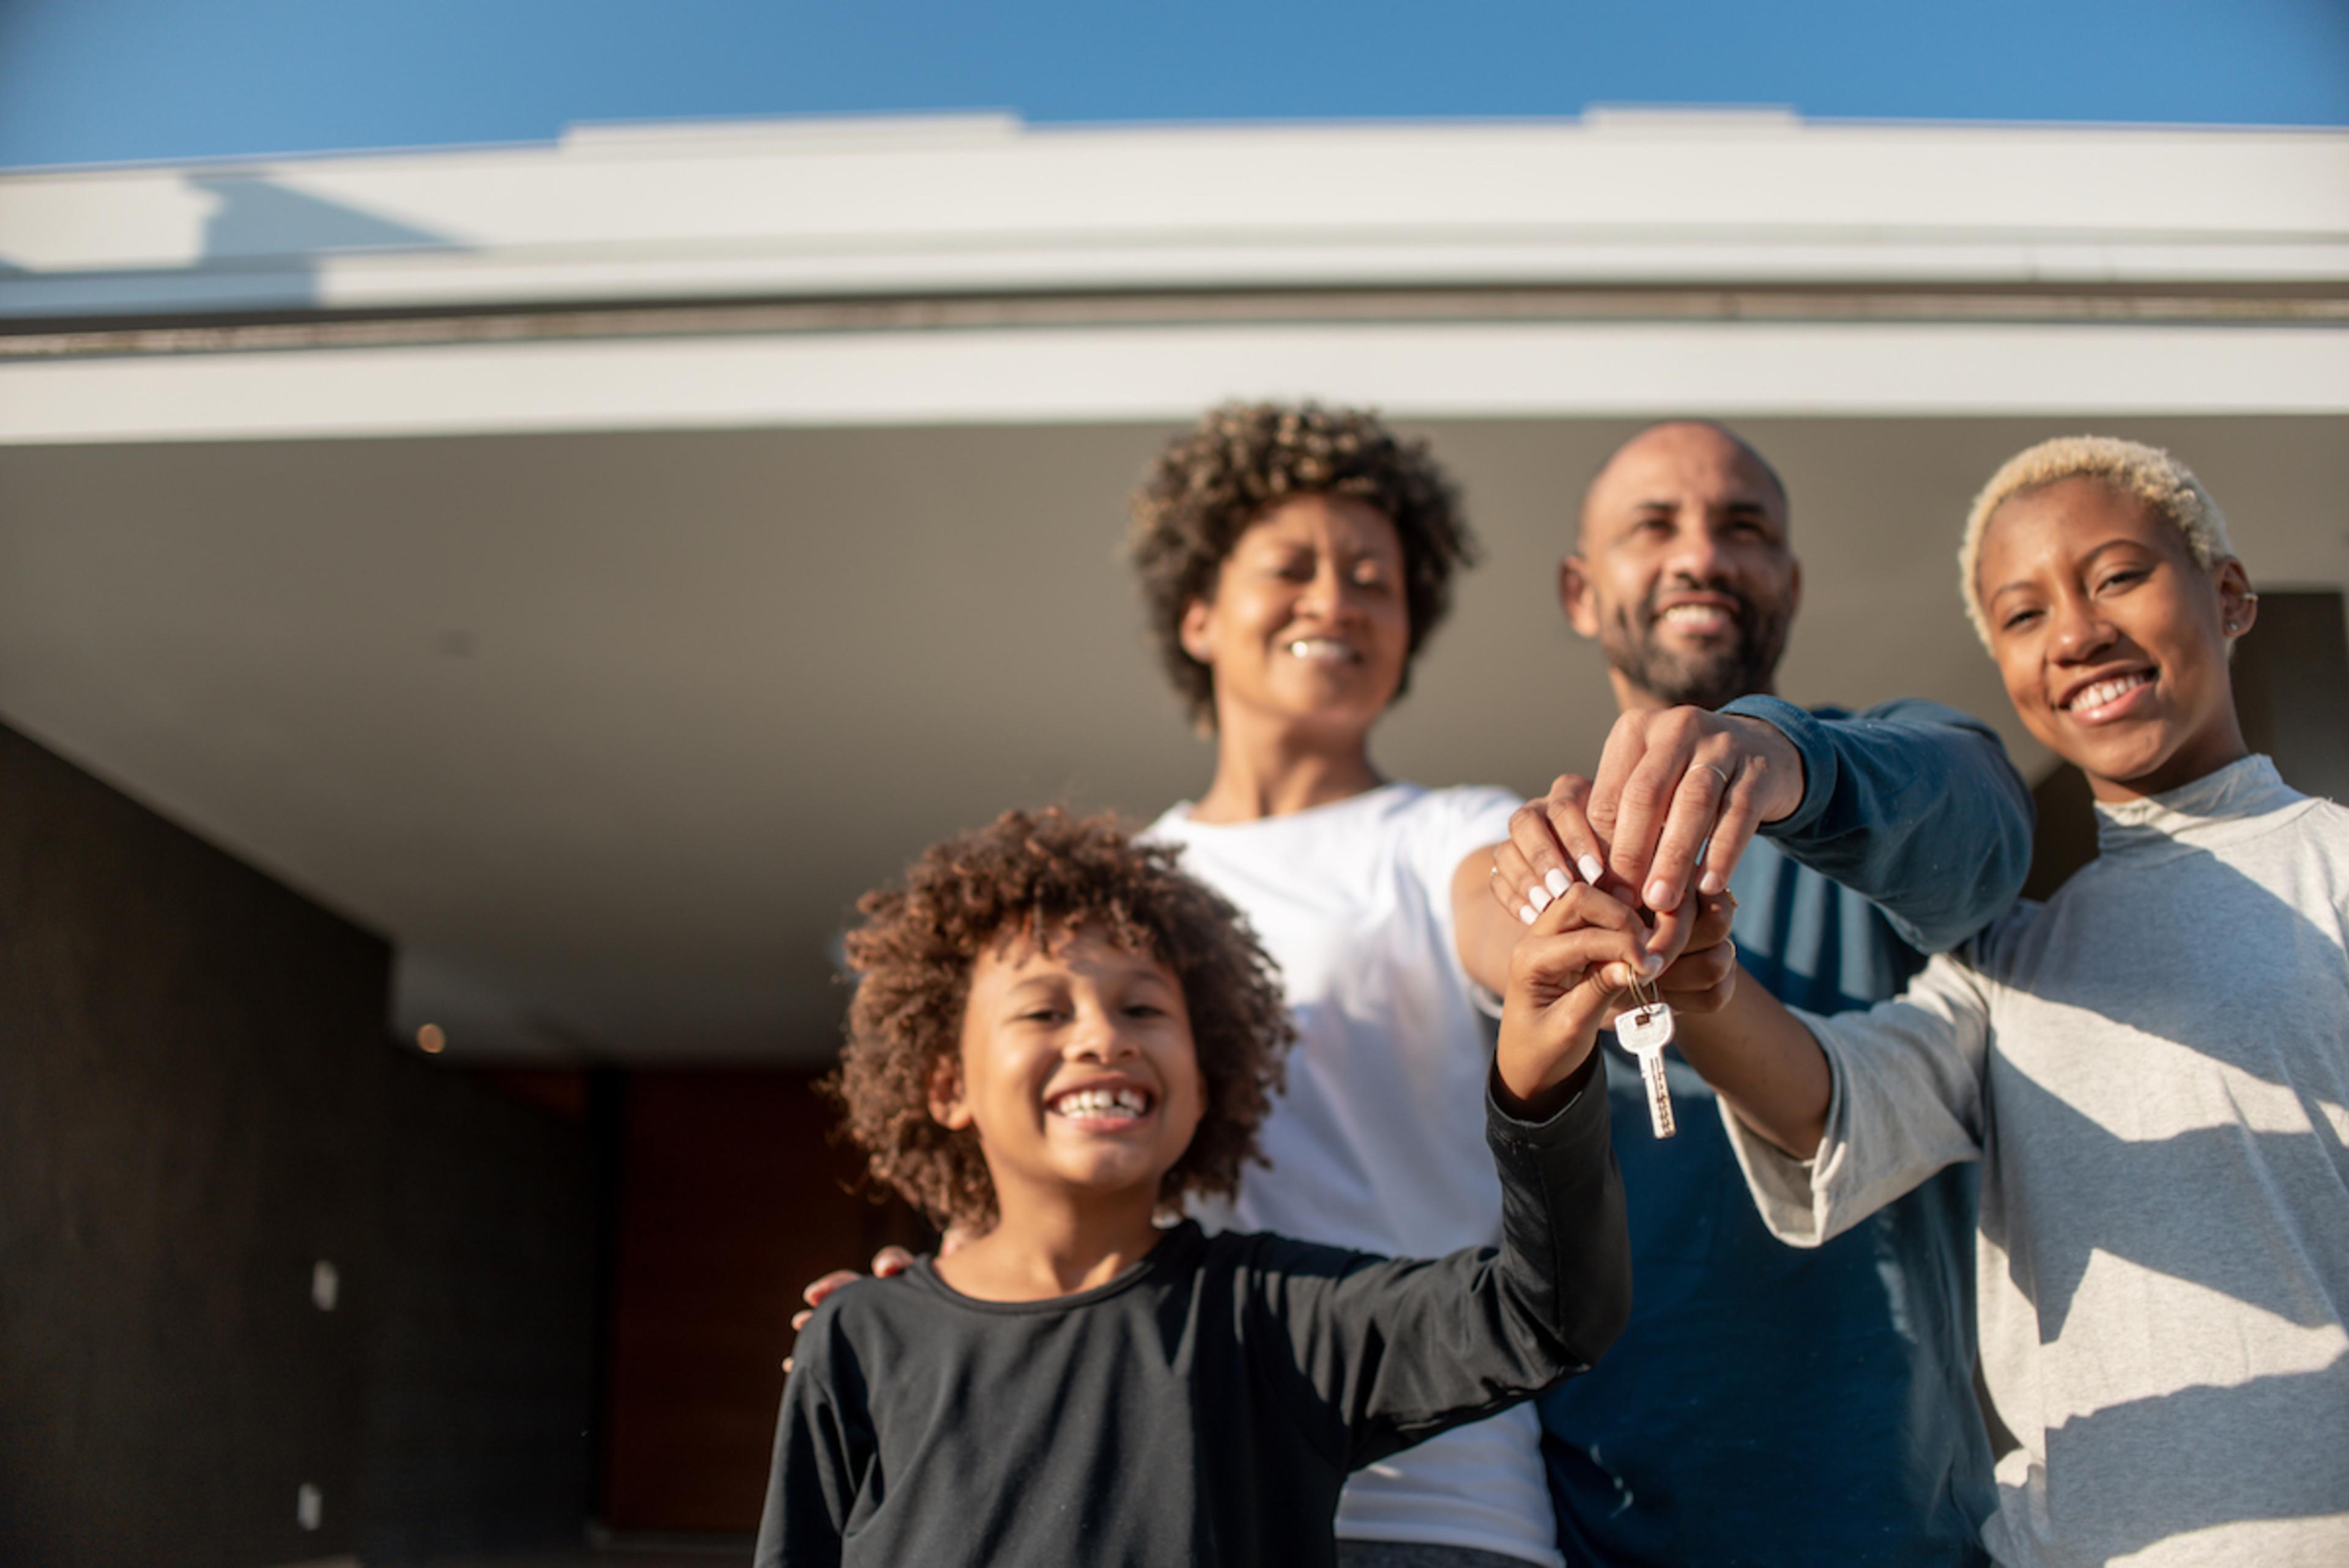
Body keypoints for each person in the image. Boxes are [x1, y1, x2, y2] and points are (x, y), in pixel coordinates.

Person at [1636, 434, 2349, 1567]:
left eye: (2119, 576)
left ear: (2228, 595)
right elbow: (1835, 1103)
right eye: (2023, 617)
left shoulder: (2334, 867)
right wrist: (1696, 985)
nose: (2076, 632)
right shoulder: (2009, 956)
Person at [757, 807, 1687, 1568]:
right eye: (1045, 1008)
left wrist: (1535, 1081)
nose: (1102, 1038)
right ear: (947, 1084)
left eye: (1144, 1009)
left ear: (1206, 1083)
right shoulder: (862, 1340)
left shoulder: (1279, 1321)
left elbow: (1554, 1313)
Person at [1486, 422, 2033, 1567]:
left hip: (1889, 1525)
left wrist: (1784, 756)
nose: (1701, 556)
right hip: (1595, 1529)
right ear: (1580, 591)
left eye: (1743, 530)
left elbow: (1985, 827)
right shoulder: (1533, 862)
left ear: (1787, 583)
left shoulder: (1884, 772)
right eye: (1655, 527)